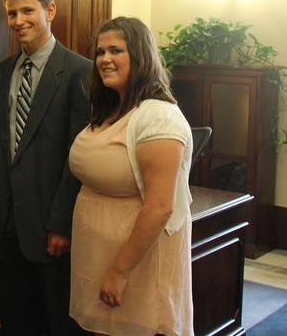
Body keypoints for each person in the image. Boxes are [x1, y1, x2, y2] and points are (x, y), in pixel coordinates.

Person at [68, 17, 194, 336]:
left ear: (140, 56)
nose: (104, 59)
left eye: (116, 51)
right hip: (102, 256)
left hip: (137, 265)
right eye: (100, 52)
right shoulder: (114, 107)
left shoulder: (158, 116)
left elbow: (160, 206)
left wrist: (119, 271)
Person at [0, 0, 91, 336]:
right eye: (11, 13)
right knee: (15, 320)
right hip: (5, 226)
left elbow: (76, 158)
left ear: (50, 10)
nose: (18, 21)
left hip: (51, 227)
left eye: (27, 10)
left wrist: (60, 223)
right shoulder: (1, 72)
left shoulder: (80, 72)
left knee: (58, 324)